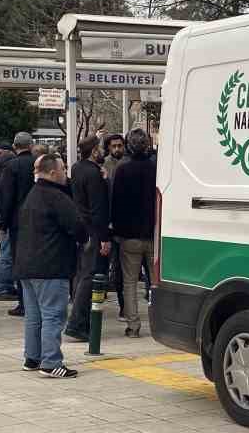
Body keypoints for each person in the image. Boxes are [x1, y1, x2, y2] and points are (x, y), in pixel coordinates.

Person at [17, 152, 86, 378]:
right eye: (64, 170)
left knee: (34, 316)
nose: (66, 174)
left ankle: (32, 357)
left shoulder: (33, 194)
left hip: (27, 266)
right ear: (54, 172)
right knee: (53, 315)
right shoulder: (56, 196)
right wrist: (83, 239)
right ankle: (51, 362)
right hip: (51, 266)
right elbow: (77, 225)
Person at [64, 135, 112, 342]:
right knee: (91, 276)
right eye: (100, 148)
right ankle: (77, 323)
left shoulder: (77, 169)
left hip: (83, 228)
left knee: (83, 274)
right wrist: (104, 237)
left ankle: (79, 320)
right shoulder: (93, 175)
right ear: (94, 151)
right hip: (94, 231)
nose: (102, 151)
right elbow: (98, 208)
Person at [111, 128, 158, 338]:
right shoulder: (155, 168)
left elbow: (116, 203)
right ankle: (159, 322)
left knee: (129, 282)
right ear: (147, 144)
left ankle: (133, 325)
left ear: (129, 145)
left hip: (129, 235)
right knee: (155, 282)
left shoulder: (122, 170)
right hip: (153, 233)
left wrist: (117, 231)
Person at [0, 132, 37, 312]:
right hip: (37, 219)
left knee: (19, 261)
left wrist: (3, 223)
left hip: (17, 221)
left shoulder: (12, 167)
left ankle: (23, 302)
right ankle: (34, 300)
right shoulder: (38, 163)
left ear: (14, 146)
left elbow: (7, 197)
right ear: (31, 145)